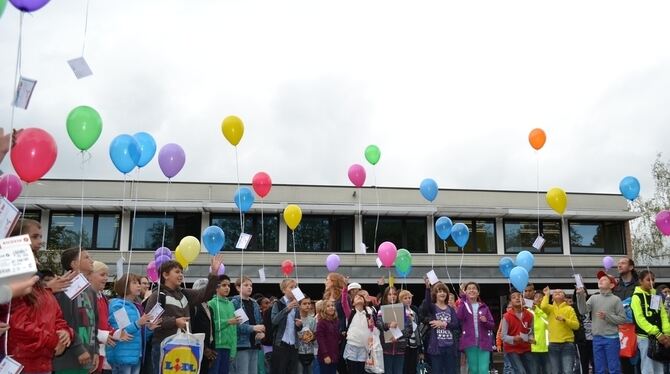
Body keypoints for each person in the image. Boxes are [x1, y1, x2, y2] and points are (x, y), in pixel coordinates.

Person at [145, 255, 223, 374]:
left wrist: (213, 274)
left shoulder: (184, 294)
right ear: (165, 275)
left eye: (182, 272)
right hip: (163, 346)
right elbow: (150, 320)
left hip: (184, 346)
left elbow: (205, 294)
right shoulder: (158, 295)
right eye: (177, 272)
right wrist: (175, 322)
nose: (181, 275)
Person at [7, 272, 73, 373]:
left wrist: (65, 333)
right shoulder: (16, 291)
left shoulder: (46, 293)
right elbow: (19, 326)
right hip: (21, 363)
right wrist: (54, 341)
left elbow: (59, 319)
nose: (36, 262)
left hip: (45, 364)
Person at [53, 248, 99, 374]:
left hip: (87, 356)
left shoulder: (90, 290)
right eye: (86, 257)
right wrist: (79, 349)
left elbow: (95, 322)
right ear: (73, 264)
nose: (91, 260)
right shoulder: (64, 287)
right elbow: (63, 322)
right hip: (69, 359)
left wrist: (95, 351)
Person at [576, 271, 627, 374]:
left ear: (612, 285)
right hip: (597, 339)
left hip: (612, 339)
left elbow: (622, 319)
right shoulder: (594, 298)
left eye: (604, 279)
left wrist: (607, 317)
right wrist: (580, 296)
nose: (600, 280)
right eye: (600, 279)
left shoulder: (616, 300)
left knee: (614, 368)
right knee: (599, 369)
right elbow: (583, 310)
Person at [107, 274, 160, 374]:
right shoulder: (118, 306)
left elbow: (138, 333)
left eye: (139, 283)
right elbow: (121, 332)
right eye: (135, 283)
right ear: (125, 286)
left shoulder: (135, 307)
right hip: (122, 356)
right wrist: (138, 323)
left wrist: (149, 329)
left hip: (135, 356)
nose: (139, 286)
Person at [631, 270, 670, 374]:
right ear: (640, 281)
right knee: (648, 368)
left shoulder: (655, 296)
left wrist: (666, 333)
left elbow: (663, 315)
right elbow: (640, 319)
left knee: (659, 368)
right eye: (648, 280)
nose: (651, 282)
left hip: (660, 338)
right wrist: (656, 332)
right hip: (645, 337)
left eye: (653, 279)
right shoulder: (636, 297)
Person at [421, 280, 460, 374]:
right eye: (439, 291)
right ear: (435, 294)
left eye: (444, 291)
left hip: (450, 346)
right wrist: (427, 288)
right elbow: (426, 305)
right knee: (437, 371)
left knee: (450, 371)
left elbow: (456, 325)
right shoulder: (433, 308)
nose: (442, 293)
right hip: (436, 347)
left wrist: (443, 324)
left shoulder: (450, 309)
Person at [456, 282, 494, 374]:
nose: (472, 290)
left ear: (478, 292)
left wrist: (486, 321)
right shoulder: (463, 306)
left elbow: (492, 325)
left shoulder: (484, 307)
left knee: (483, 370)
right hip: (470, 342)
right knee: (473, 370)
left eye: (474, 288)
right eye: (469, 288)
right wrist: (463, 298)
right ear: (466, 292)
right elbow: (459, 317)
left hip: (484, 342)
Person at [541, 286, 579, 374]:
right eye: (555, 292)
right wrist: (546, 295)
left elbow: (576, 326)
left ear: (565, 297)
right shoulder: (550, 308)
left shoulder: (569, 309)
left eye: (560, 292)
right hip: (553, 344)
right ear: (552, 297)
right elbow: (543, 306)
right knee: (555, 371)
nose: (557, 292)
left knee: (568, 371)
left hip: (567, 344)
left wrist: (565, 320)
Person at [231, 276, 264, 374]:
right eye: (246, 285)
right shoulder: (234, 303)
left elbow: (260, 322)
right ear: (238, 288)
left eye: (251, 285)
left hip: (255, 344)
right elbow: (236, 326)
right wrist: (253, 328)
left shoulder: (255, 304)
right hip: (241, 345)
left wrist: (262, 332)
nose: (249, 287)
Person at [614, 257, 640, 374]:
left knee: (639, 362)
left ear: (631, 267)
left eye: (623, 263)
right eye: (618, 264)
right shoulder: (615, 287)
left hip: (638, 329)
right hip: (621, 330)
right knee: (624, 362)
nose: (619, 265)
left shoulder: (640, 285)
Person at [208, 274, 239, 374]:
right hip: (216, 347)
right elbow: (211, 326)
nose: (227, 288)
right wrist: (228, 322)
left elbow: (233, 330)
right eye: (224, 285)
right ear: (216, 287)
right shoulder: (211, 303)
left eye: (229, 285)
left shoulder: (231, 304)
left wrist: (233, 349)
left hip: (228, 348)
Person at [342, 285, 376, 374]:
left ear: (364, 302)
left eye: (361, 297)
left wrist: (371, 325)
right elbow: (344, 302)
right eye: (356, 297)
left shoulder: (368, 313)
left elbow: (372, 329)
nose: (359, 298)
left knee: (361, 370)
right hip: (352, 346)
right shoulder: (350, 313)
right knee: (352, 370)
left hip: (364, 347)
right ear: (353, 303)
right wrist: (345, 288)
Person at [377, 286, 411, 374]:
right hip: (386, 349)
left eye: (395, 294)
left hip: (400, 349)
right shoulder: (381, 310)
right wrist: (388, 325)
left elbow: (409, 329)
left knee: (398, 372)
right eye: (390, 294)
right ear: (386, 296)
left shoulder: (405, 311)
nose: (393, 296)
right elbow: (379, 324)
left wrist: (398, 336)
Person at [501, 289, 534, 374]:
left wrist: (531, 338)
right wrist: (514, 338)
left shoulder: (529, 315)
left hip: (526, 347)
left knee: (530, 371)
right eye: (513, 297)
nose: (517, 298)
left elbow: (531, 332)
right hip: (512, 348)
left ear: (523, 299)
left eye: (519, 296)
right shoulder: (506, 316)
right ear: (511, 302)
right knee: (520, 371)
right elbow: (503, 336)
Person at [270, 278, 299, 374]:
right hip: (281, 344)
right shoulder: (278, 304)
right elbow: (274, 321)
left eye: (295, 287)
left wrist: (300, 324)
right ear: (283, 290)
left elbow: (297, 326)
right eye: (291, 287)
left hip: (294, 344)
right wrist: (287, 308)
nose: (294, 289)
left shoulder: (297, 305)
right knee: (280, 370)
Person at [189, 278, 216, 372]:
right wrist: (204, 348)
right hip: (197, 348)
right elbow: (191, 329)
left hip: (208, 350)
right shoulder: (193, 307)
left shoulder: (209, 307)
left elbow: (212, 330)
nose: (211, 293)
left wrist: (212, 348)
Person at [528, 291, 551, 374]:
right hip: (533, 347)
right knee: (534, 371)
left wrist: (537, 310)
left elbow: (548, 322)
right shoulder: (528, 311)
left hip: (547, 347)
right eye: (536, 297)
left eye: (541, 297)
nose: (538, 299)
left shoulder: (548, 310)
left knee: (548, 371)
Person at [316, 299, 340, 374]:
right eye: (328, 306)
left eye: (332, 305)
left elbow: (337, 338)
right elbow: (320, 340)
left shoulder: (336, 321)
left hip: (335, 355)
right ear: (323, 309)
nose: (331, 307)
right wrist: (325, 355)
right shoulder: (321, 322)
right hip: (325, 356)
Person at [399, 290, 420, 374]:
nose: (408, 300)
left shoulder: (414, 312)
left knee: (412, 367)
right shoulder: (400, 312)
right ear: (400, 300)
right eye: (405, 298)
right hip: (404, 343)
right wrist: (408, 321)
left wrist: (419, 344)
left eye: (410, 298)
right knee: (404, 367)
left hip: (414, 343)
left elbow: (417, 328)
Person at [297, 297, 317, 374]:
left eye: (309, 303)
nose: (308, 305)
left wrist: (311, 337)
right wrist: (300, 336)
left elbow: (315, 335)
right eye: (304, 304)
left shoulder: (312, 320)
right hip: (297, 353)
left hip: (309, 353)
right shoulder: (295, 318)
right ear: (299, 305)